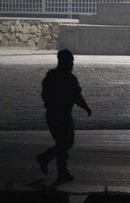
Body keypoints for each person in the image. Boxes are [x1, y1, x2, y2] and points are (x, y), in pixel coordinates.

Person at [36, 49, 92, 181]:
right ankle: (62, 170)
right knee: (62, 143)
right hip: (56, 114)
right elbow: (48, 95)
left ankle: (46, 158)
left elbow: (76, 96)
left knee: (67, 142)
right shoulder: (57, 77)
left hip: (64, 114)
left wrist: (85, 106)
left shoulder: (65, 78)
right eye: (70, 62)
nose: (72, 65)